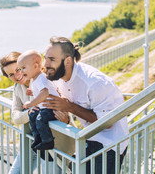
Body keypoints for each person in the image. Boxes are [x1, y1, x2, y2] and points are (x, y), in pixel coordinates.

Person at [42, 36, 129, 174]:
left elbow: (108, 122)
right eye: (45, 58)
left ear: (68, 61)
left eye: (52, 59)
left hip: (111, 144)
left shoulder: (95, 82)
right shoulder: (58, 79)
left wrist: (69, 107)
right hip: (88, 138)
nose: (46, 64)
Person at [0, 51, 73, 174]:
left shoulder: (46, 79)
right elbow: (16, 118)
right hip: (33, 141)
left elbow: (64, 107)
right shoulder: (18, 88)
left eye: (19, 69)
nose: (17, 75)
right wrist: (29, 112)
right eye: (11, 74)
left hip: (56, 142)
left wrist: (65, 119)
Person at [17, 50, 60, 151]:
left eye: (23, 68)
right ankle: (37, 137)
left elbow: (44, 93)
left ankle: (47, 141)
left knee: (40, 119)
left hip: (52, 108)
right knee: (32, 115)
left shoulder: (41, 78)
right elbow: (41, 92)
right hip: (45, 107)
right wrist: (33, 93)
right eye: (19, 69)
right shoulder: (35, 79)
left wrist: (31, 103)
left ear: (36, 66)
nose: (21, 72)